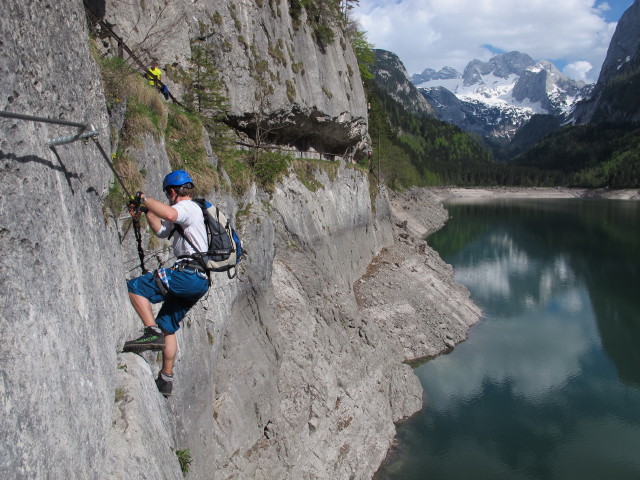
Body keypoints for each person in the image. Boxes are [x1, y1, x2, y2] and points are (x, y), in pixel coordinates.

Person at [123, 170, 210, 397]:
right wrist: (146, 210)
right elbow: (162, 231)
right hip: (199, 280)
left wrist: (145, 199)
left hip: (187, 274)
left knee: (135, 287)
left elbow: (170, 215)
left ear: (172, 192)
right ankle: (165, 379)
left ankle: (151, 332)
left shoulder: (187, 208)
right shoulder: (188, 213)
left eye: (167, 194)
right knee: (167, 326)